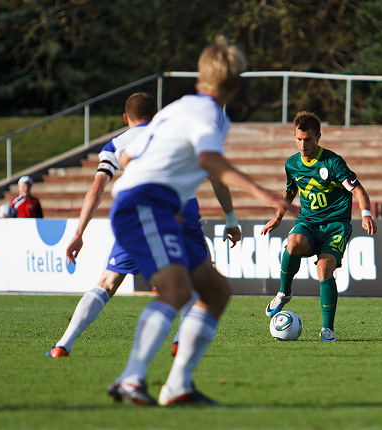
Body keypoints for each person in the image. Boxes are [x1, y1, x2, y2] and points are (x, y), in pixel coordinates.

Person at [106, 37, 295, 407]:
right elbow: (209, 160)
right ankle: (131, 379)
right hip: (145, 205)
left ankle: (178, 387)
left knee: (216, 291)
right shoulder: (213, 116)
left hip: (151, 205)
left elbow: (127, 157)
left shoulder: (176, 108)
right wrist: (265, 195)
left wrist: (170, 190)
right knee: (176, 293)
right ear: (236, 84)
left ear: (199, 77)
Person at [45, 93, 243, 359]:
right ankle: (179, 342)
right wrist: (230, 219)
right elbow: (217, 176)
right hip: (181, 215)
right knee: (200, 281)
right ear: (157, 113)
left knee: (107, 283)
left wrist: (79, 232)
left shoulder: (118, 143)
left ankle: (63, 344)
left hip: (138, 216)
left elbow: (97, 188)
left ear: (126, 118)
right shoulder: (179, 134)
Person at [261, 111, 377, 341]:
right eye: (299, 139)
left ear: (318, 137)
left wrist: (365, 214)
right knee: (292, 243)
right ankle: (284, 292)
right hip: (309, 222)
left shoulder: (333, 162)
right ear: (294, 135)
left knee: (324, 269)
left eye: (309, 140)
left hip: (335, 225)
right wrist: (278, 217)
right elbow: (290, 190)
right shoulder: (292, 164)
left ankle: (327, 330)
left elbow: (358, 190)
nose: (303, 145)